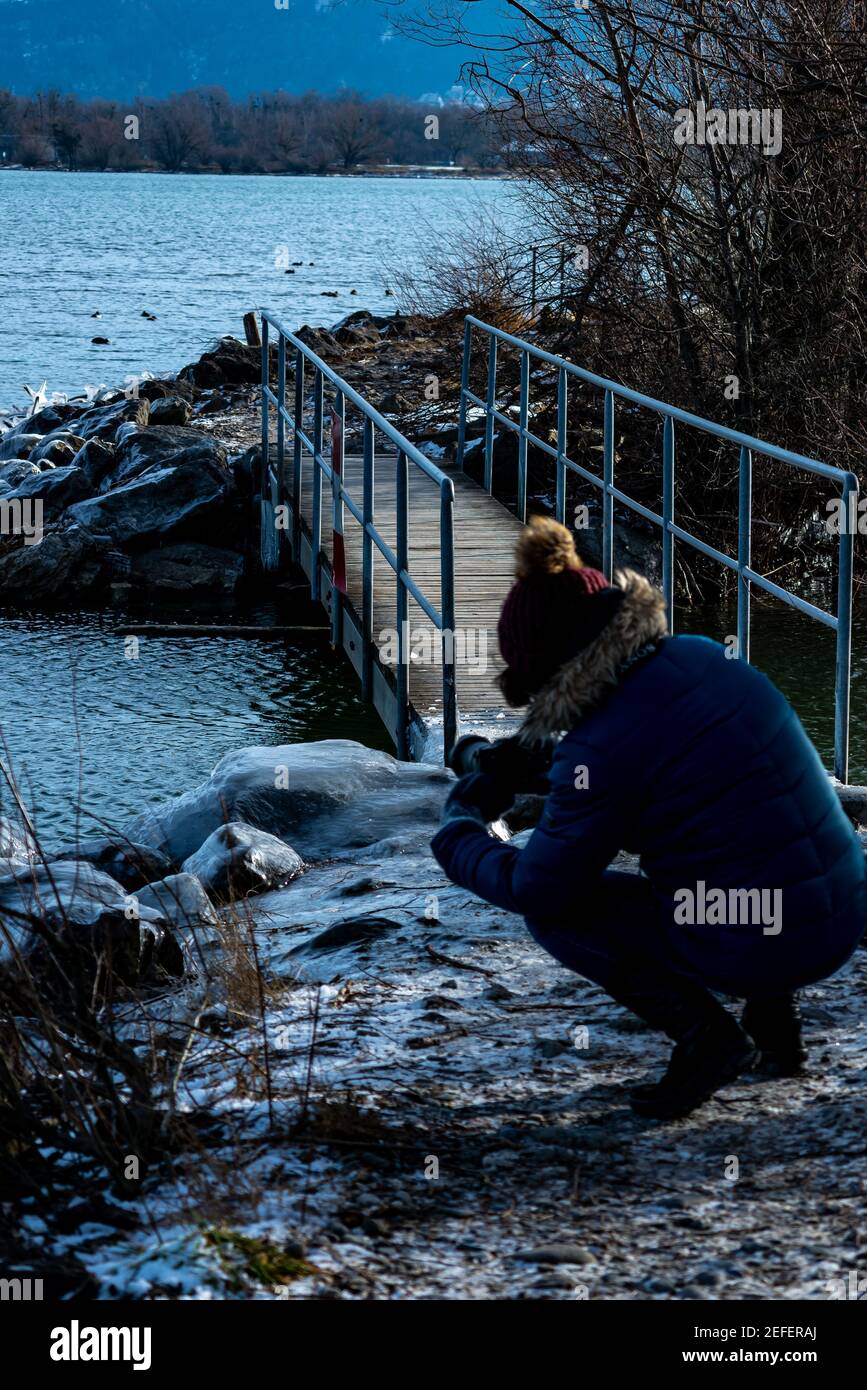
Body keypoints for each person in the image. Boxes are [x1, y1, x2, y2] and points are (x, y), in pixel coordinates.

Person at [431, 516, 866, 1119]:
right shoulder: (701, 658)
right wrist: (546, 764)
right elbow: (662, 764)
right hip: (840, 912)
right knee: (752, 839)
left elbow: (539, 883)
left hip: (768, 942)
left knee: (557, 914)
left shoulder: (604, 747)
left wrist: (460, 831)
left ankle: (709, 1042)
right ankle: (776, 1028)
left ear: (554, 671)